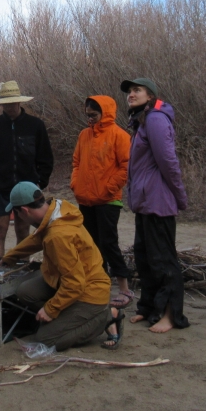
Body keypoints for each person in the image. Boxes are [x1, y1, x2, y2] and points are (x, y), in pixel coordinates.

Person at [1, 182, 125, 351]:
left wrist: (51, 310)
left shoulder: (58, 236)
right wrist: (11, 256)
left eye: (16, 214)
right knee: (25, 292)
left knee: (46, 340)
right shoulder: (56, 210)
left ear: (24, 211)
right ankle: (66, 317)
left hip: (89, 292)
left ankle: (107, 316)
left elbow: (75, 284)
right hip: (68, 281)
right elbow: (37, 238)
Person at [121, 77, 190, 333]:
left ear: (151, 96)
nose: (131, 94)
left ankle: (172, 316)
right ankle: (148, 308)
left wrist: (179, 197)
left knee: (163, 260)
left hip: (158, 201)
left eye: (137, 90)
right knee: (145, 258)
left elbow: (168, 163)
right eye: (129, 91)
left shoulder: (156, 120)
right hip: (144, 202)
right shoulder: (141, 122)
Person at [0, 81, 54, 257]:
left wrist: (40, 181)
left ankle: (21, 270)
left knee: (22, 229)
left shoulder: (35, 125)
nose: (9, 106)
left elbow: (45, 157)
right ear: (1, 104)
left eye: (12, 102)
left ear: (19, 102)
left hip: (27, 187)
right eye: (6, 103)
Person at [71, 95, 133, 308]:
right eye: (87, 115)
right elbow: (77, 162)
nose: (90, 119)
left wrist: (109, 188)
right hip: (85, 199)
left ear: (105, 113)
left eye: (94, 115)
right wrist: (75, 184)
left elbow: (126, 167)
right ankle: (99, 285)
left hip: (108, 200)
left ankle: (124, 288)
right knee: (90, 245)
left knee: (109, 243)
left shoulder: (120, 136)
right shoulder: (84, 135)